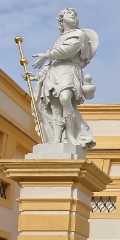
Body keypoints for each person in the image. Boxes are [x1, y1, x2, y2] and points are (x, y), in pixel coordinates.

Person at [27, 8, 96, 148]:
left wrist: (47, 55)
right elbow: (52, 63)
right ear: (62, 19)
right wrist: (36, 76)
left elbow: (69, 51)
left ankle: (70, 135)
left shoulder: (79, 34)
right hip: (54, 72)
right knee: (55, 106)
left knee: (65, 98)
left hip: (69, 70)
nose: (73, 16)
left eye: (74, 15)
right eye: (69, 14)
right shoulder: (60, 38)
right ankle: (57, 139)